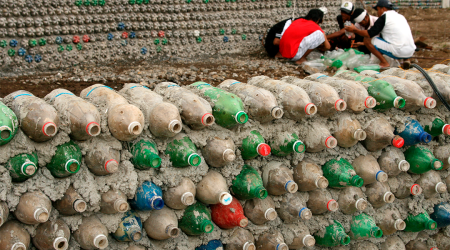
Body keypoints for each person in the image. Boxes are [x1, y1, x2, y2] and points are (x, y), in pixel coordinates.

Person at [345, 0, 416, 68]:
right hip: (410, 50)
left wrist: (354, 30)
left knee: (367, 40)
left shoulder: (384, 17)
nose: (377, 13)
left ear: (383, 8)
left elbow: (369, 34)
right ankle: (406, 60)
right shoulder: (400, 16)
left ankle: (384, 62)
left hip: (398, 51)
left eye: (378, 10)